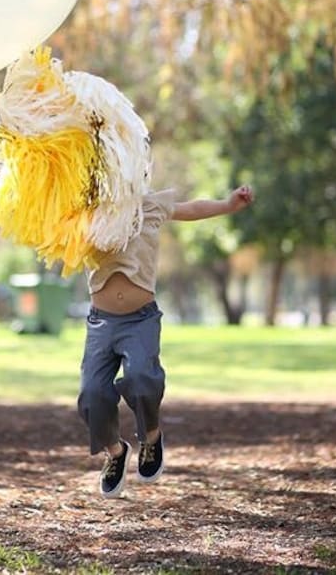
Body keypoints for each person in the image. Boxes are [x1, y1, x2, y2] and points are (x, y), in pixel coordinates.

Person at [77, 184, 255, 498]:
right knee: (92, 395)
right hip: (101, 322)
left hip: (140, 319)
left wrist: (228, 205)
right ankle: (116, 453)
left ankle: (151, 435)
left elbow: (192, 209)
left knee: (143, 378)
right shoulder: (88, 208)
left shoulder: (152, 205)